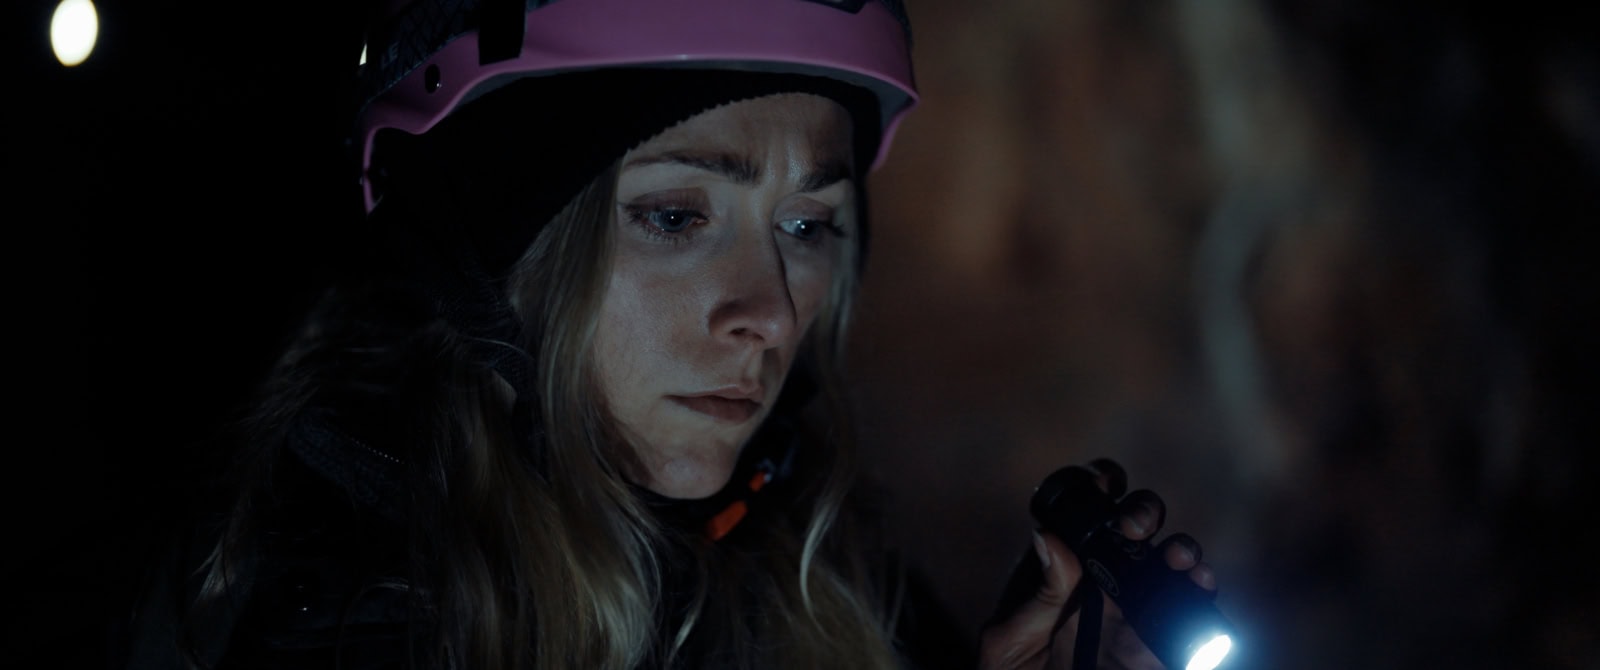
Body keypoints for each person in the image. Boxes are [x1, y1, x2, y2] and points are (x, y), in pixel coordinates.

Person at [111, 0, 1218, 668]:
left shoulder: (818, 564)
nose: (768, 312)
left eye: (807, 226)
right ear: (488, 248)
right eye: (677, 217)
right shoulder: (338, 616)